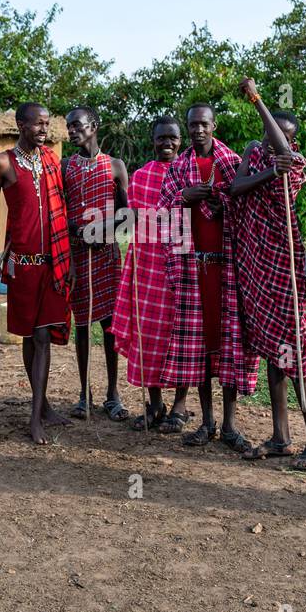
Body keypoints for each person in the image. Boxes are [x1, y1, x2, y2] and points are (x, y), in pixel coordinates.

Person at [232, 82, 306, 470]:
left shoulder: (296, 164)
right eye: (272, 138)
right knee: (273, 354)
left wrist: (257, 99)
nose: (276, 145)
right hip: (255, 267)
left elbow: (284, 156)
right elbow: (236, 187)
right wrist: (269, 166)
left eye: (284, 139)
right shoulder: (258, 156)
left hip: (283, 267)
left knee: (295, 355)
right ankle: (281, 436)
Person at [157, 103, 258, 451]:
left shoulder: (230, 163)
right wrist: (185, 197)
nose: (198, 130)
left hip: (227, 268)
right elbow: (161, 213)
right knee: (199, 346)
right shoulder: (179, 167)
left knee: (229, 344)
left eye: (203, 124)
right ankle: (206, 422)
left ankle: (230, 425)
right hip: (193, 268)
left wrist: (223, 206)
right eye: (192, 125)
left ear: (214, 125)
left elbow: (248, 205)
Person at [0, 102, 73, 445]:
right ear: (21, 124)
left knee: (41, 336)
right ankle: (40, 410)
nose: (43, 130)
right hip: (22, 265)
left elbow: (63, 208)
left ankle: (38, 413)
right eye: (37, 124)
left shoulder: (51, 160)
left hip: (54, 262)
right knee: (29, 335)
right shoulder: (3, 163)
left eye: (47, 124)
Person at [112, 116, 191, 433]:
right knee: (148, 336)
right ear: (153, 140)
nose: (167, 143)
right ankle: (155, 403)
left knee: (182, 336)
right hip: (146, 266)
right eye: (161, 138)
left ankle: (181, 406)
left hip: (182, 266)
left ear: (180, 140)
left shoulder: (189, 173)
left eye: (172, 137)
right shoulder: (141, 176)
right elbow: (132, 224)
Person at [63, 107, 131, 422]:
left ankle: (113, 395)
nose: (71, 130)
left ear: (94, 126)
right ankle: (84, 393)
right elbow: (60, 212)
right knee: (82, 326)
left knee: (109, 327)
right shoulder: (66, 168)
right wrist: (79, 233)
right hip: (77, 254)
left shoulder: (115, 166)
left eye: (76, 125)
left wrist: (101, 231)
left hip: (106, 254)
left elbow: (125, 214)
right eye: (68, 126)